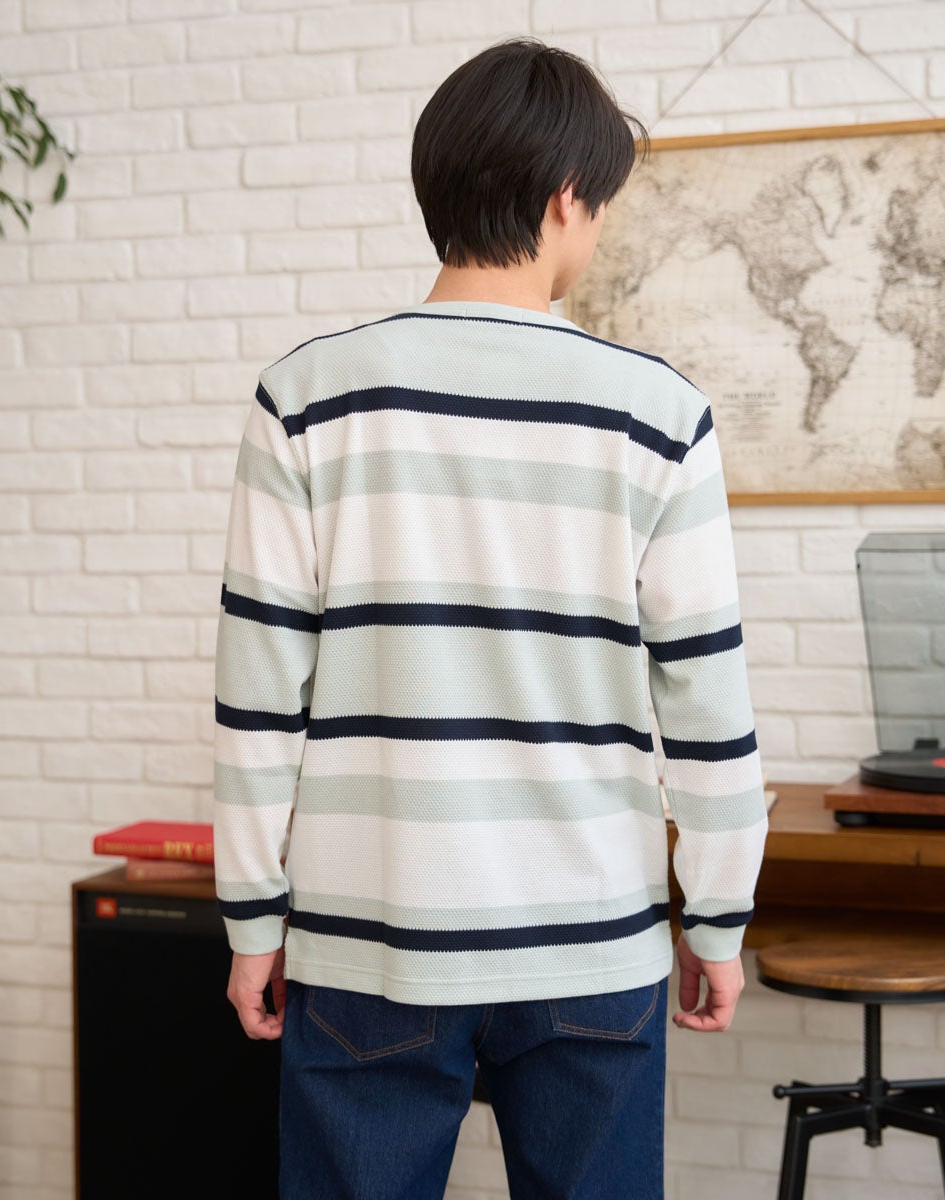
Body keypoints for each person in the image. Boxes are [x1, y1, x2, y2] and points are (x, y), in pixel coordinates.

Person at [212, 34, 769, 1200]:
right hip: (590, 938)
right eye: (600, 206)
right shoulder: (659, 412)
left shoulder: (306, 398)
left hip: (369, 934)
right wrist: (717, 921)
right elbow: (707, 702)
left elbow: (259, 699)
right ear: (566, 197)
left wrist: (253, 920)